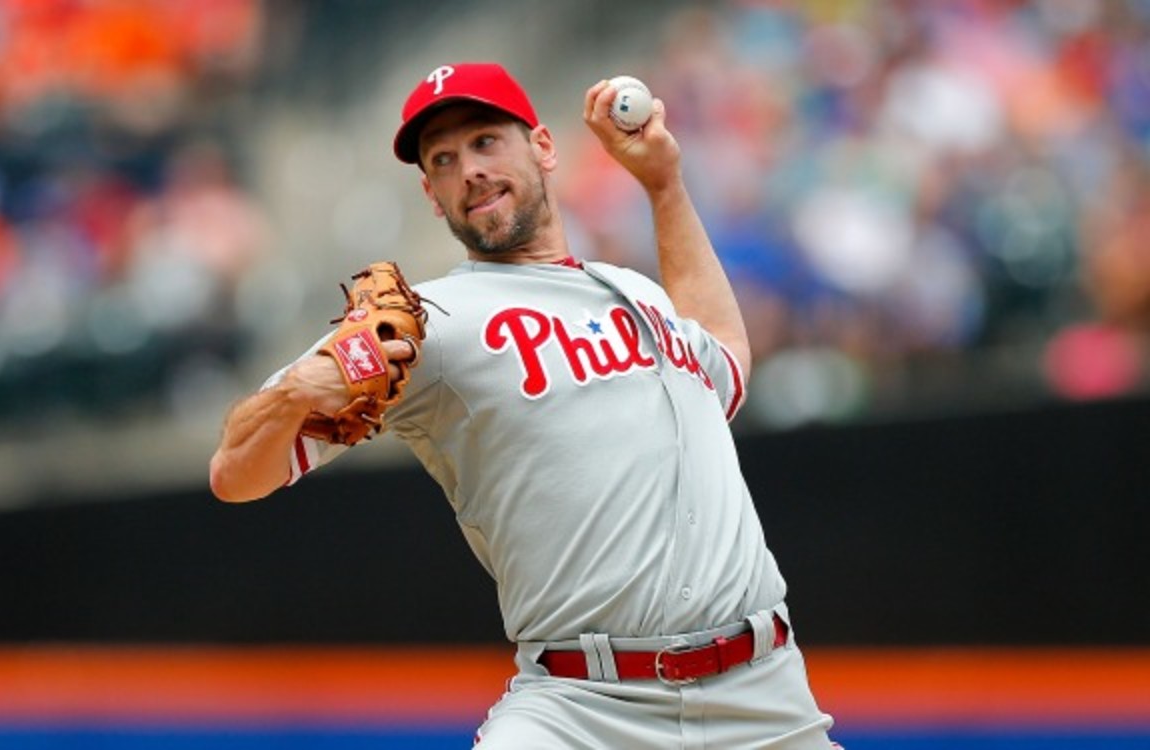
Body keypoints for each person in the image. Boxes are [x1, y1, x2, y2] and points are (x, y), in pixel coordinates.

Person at [210, 62, 839, 749]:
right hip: (583, 707)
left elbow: (726, 360)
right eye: (444, 159)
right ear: (431, 193)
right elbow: (234, 474)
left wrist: (664, 185)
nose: (469, 170)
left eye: (486, 142)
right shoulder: (432, 322)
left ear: (542, 146)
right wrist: (299, 392)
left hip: (764, 698)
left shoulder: (637, 292)